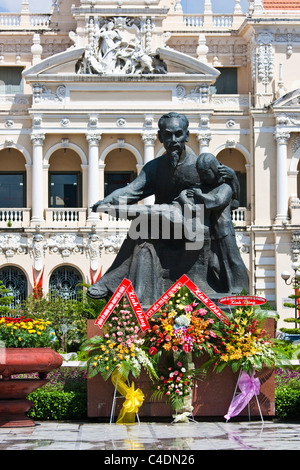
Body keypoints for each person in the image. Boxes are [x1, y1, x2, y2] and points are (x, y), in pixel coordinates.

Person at [87, 112, 246, 306]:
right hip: (164, 227)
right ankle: (136, 296)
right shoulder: (154, 168)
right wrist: (107, 201)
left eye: (178, 134)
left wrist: (231, 179)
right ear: (160, 137)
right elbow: (131, 190)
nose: (173, 140)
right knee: (140, 229)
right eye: (168, 135)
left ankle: (109, 282)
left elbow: (227, 189)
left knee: (150, 221)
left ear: (187, 136)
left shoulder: (201, 165)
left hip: (195, 227)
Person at [181, 153, 249, 294]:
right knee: (214, 264)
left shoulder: (225, 188)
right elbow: (187, 196)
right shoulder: (206, 188)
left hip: (224, 231)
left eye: (206, 173)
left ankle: (240, 289)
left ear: (214, 170)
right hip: (211, 232)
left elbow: (215, 202)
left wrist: (198, 195)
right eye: (201, 174)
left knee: (232, 260)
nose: (204, 177)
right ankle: (223, 288)